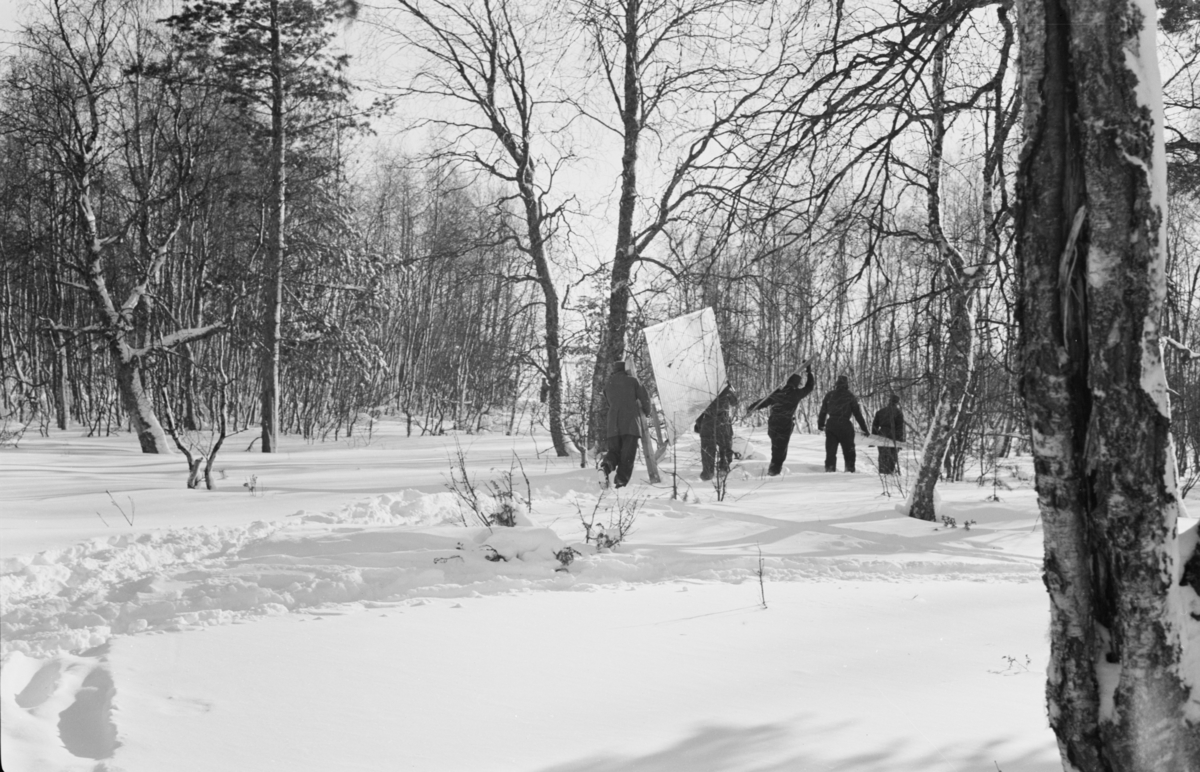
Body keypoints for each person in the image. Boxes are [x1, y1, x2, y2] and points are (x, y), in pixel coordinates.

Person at [746, 365, 815, 476]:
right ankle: (774, 472)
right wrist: (809, 373)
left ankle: (773, 470)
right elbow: (809, 387)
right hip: (784, 424)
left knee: (776, 448)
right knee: (780, 451)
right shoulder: (795, 394)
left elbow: (762, 402)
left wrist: (751, 408)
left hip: (773, 424)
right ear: (796, 385)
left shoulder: (777, 394)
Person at [601, 360, 651, 488]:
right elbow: (645, 399)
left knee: (614, 452)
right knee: (627, 455)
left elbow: (609, 403)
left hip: (613, 425)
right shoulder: (633, 381)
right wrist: (647, 412)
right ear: (626, 369)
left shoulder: (608, 385)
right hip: (630, 425)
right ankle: (621, 481)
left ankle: (606, 467)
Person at [817, 374, 869, 472]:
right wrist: (864, 428)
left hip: (831, 425)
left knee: (831, 451)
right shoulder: (850, 396)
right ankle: (849, 470)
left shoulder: (829, 395)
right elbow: (857, 414)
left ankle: (829, 470)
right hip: (845, 425)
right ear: (846, 384)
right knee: (849, 451)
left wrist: (820, 424)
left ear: (836, 384)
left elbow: (823, 411)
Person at [694, 384, 738, 481]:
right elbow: (734, 402)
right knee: (725, 447)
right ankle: (723, 468)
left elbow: (698, 410)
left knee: (707, 450)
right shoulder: (725, 388)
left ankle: (708, 473)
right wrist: (729, 388)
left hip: (708, 422)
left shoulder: (702, 389)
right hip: (723, 422)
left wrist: (699, 425)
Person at [871, 393, 905, 474]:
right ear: (897, 402)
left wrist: (874, 438)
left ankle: (882, 472)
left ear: (889, 401)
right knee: (892, 456)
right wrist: (900, 442)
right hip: (893, 436)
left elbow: (875, 426)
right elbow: (900, 428)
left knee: (882, 455)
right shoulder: (898, 412)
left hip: (882, 434)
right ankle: (889, 472)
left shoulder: (880, 411)